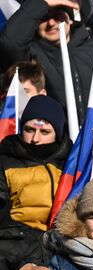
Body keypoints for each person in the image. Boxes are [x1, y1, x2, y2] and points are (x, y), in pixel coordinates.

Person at [0, 95, 70, 230]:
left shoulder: (71, 164)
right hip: (16, 240)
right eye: (30, 130)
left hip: (62, 239)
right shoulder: (4, 161)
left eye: (44, 132)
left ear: (58, 135)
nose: (35, 138)